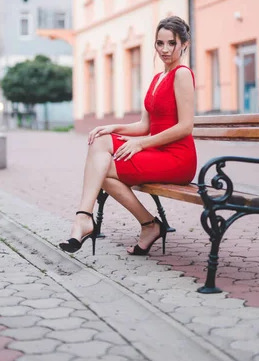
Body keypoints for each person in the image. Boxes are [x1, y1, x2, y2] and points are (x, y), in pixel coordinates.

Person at [59, 16, 197, 257]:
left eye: (171, 43)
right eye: (159, 43)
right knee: (100, 149)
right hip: (158, 151)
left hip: (177, 158)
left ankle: (136, 224)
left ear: (184, 44)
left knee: (100, 169)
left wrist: (141, 144)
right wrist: (113, 127)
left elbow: (185, 127)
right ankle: (93, 218)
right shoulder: (157, 78)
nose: (164, 49)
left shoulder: (182, 74)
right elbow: (144, 125)